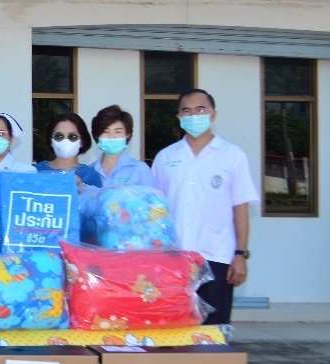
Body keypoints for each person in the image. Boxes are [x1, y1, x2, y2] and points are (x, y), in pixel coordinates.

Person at [152, 89, 258, 326]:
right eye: (187, 111)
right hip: (174, 259)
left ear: (213, 115)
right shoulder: (165, 157)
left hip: (216, 257)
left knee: (213, 332)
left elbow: (240, 208)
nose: (194, 116)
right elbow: (156, 211)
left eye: (200, 110)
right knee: (173, 331)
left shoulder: (233, 156)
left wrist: (240, 255)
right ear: (179, 117)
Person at [90, 104, 155, 188]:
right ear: (97, 135)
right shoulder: (89, 170)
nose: (112, 137)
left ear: (127, 134)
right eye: (106, 132)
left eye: (118, 132)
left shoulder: (140, 169)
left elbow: (152, 196)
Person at [35, 112, 104, 192]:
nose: (65, 141)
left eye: (72, 136)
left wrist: (81, 187)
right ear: (51, 140)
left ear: (82, 142)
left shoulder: (90, 175)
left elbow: (97, 199)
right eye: (59, 136)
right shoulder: (36, 171)